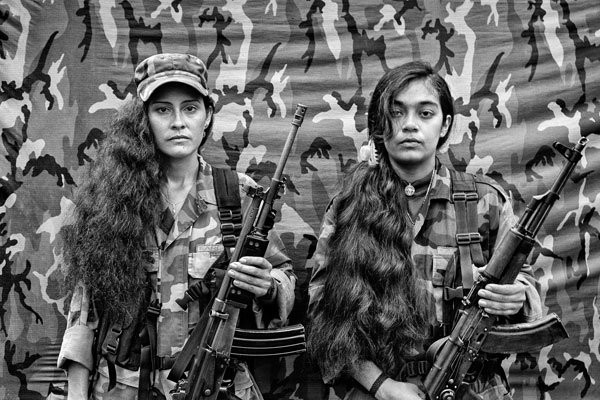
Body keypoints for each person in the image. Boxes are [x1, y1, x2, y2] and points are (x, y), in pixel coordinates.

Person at [57, 53, 296, 400]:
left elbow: (285, 275)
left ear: (208, 116)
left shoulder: (238, 196)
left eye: (190, 108)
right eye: (163, 110)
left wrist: (268, 287)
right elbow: (84, 315)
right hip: (124, 387)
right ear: (143, 119)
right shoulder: (113, 201)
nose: (178, 122)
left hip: (217, 386)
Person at [307, 61, 543, 400]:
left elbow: (528, 287)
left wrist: (517, 298)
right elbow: (321, 312)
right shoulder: (348, 206)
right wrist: (383, 387)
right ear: (378, 125)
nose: (410, 126)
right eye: (397, 113)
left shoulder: (484, 201)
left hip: (471, 388)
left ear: (445, 125)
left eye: (426, 114)